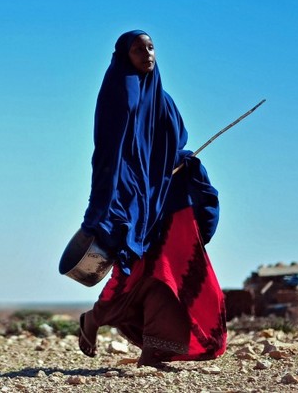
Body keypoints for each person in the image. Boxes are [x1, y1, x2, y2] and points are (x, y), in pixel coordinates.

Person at [77, 30, 226, 366]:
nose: (147, 54)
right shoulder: (118, 94)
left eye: (151, 47)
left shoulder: (164, 100)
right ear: (124, 56)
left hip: (171, 197)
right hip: (133, 202)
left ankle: (154, 350)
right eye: (137, 49)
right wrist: (100, 209)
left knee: (170, 273)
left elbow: (176, 142)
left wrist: (183, 163)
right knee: (137, 272)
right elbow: (108, 155)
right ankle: (95, 318)